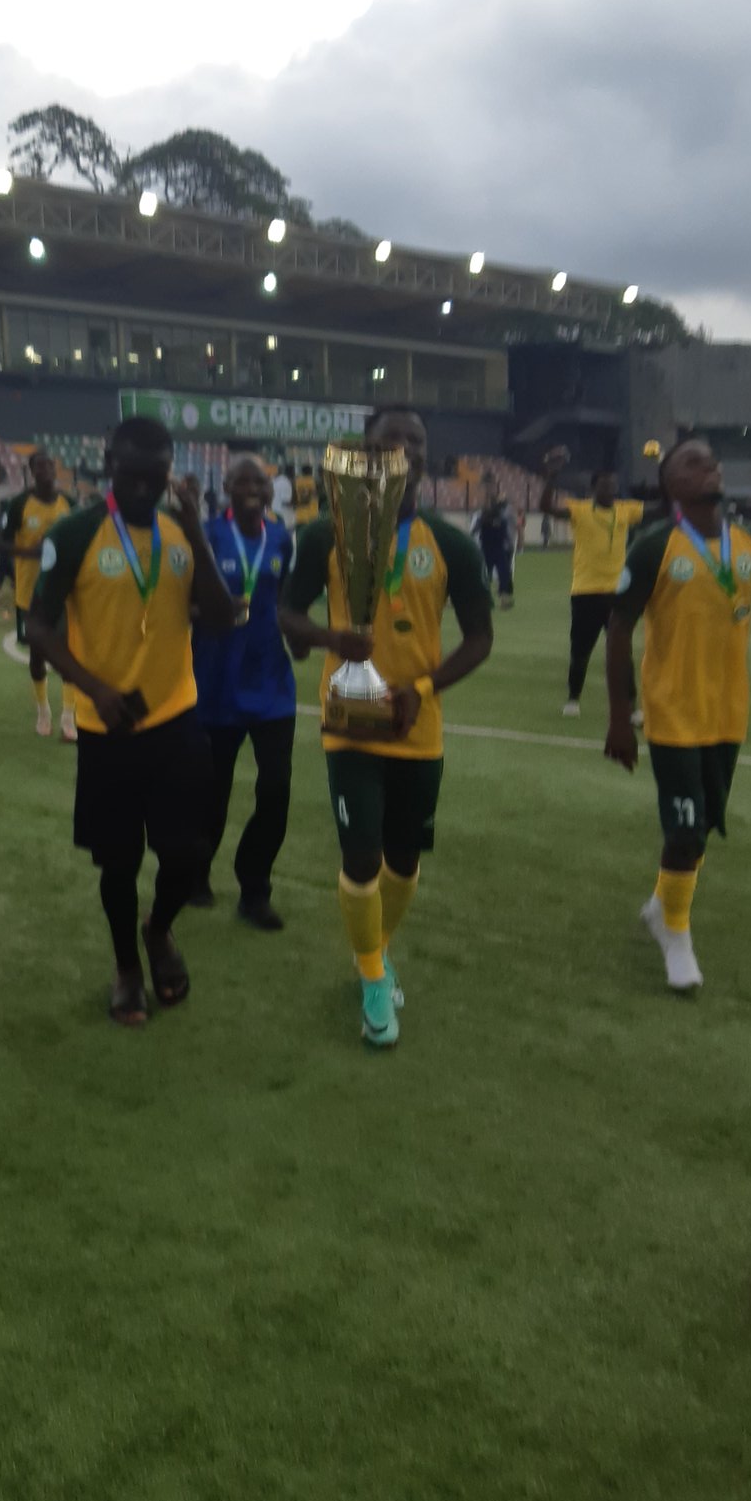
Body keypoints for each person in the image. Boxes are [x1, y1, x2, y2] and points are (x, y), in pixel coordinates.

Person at [280, 407, 494, 1047]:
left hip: (414, 725)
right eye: (388, 440)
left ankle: (373, 948)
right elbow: (287, 614)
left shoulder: (452, 544)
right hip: (349, 719)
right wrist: (330, 639)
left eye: (415, 440)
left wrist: (422, 690)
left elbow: (480, 638)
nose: (403, 448)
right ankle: (374, 977)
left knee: (403, 862)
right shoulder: (326, 533)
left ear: (427, 457)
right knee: (361, 854)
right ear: (364, 455)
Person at [26, 416, 235, 1025]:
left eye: (156, 475)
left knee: (187, 853)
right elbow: (38, 625)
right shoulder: (74, 533)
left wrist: (196, 532)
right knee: (117, 862)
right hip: (106, 727)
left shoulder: (181, 533)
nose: (144, 486)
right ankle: (125, 968)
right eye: (132, 473)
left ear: (170, 472)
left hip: (176, 719)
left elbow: (222, 617)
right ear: (108, 465)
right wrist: (93, 688)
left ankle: (159, 928)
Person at [604, 437, 751, 993]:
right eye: (694, 462)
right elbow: (619, 629)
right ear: (671, 482)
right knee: (685, 830)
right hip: (671, 713)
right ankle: (675, 932)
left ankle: (661, 903)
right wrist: (621, 715)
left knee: (702, 828)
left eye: (712, 460)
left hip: (727, 714)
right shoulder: (654, 547)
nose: (711, 466)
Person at [192, 455, 298, 929]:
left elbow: (287, 601)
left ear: (271, 491)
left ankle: (255, 889)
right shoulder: (207, 536)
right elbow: (181, 604)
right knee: (211, 794)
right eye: (243, 480)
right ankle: (196, 873)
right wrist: (213, 611)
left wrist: (301, 636)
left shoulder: (281, 538)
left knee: (275, 790)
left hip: (272, 685)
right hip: (216, 684)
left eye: (261, 481)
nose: (253, 487)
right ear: (227, 487)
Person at [541, 449, 647, 717]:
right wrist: (551, 478)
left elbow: (663, 509)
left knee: (622, 651)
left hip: (617, 593)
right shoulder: (580, 510)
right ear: (593, 489)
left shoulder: (626, 511)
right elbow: (546, 508)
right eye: (604, 486)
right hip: (585, 591)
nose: (610, 491)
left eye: (613, 486)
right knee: (580, 650)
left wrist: (668, 475)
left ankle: (631, 706)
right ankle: (573, 699)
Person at [0, 451, 76, 739]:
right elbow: (2, 544)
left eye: (49, 465)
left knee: (69, 652)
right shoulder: (19, 504)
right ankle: (43, 711)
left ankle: (68, 717)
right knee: (37, 653)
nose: (45, 470)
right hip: (30, 591)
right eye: (39, 467)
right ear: (31, 472)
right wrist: (31, 552)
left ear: (56, 469)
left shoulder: (69, 504)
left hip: (64, 592)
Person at [471, 480, 516, 609]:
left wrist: (509, 545)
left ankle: (503, 599)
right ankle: (484, 599)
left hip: (497, 549)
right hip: (488, 550)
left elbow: (505, 534)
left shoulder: (499, 518)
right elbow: (474, 531)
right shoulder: (484, 518)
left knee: (503, 574)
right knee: (486, 576)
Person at [293, 463, 319, 529]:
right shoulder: (313, 481)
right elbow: (315, 494)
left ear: (302, 472)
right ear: (310, 472)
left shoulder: (296, 481)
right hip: (312, 514)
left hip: (300, 514)